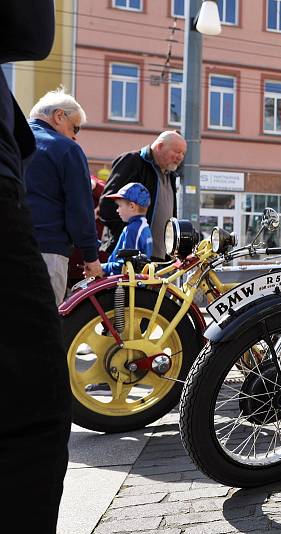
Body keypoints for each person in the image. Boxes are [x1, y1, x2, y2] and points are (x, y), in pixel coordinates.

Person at [0, 2, 71, 532]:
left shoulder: (36, 136)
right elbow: (27, 30)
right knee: (29, 407)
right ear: (65, 119)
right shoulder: (64, 149)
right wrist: (91, 258)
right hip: (35, 246)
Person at [24, 88, 103, 303]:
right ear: (59, 116)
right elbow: (79, 208)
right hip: (47, 251)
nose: (75, 135)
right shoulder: (65, 149)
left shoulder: (9, 142)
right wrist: (91, 256)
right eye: (74, 127)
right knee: (41, 328)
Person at [99, 130, 186, 260]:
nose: (180, 157)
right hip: (130, 257)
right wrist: (130, 241)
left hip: (158, 258)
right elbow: (108, 205)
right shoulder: (132, 161)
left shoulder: (170, 174)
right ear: (159, 146)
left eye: (183, 153)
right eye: (177, 152)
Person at [102, 182, 153, 275]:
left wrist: (102, 268)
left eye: (120, 206)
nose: (117, 210)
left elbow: (127, 265)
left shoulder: (133, 230)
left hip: (127, 287)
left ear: (132, 206)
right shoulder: (143, 226)